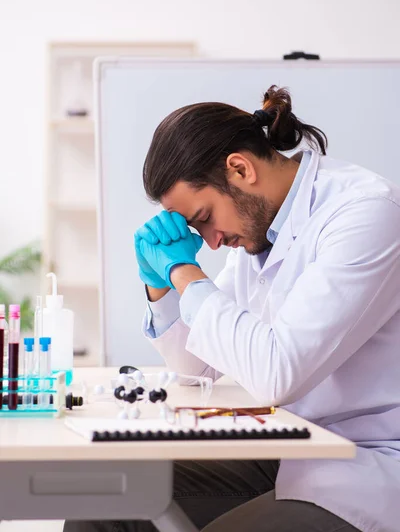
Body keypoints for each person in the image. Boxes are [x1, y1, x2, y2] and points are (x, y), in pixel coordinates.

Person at [65, 86, 400, 532]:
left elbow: (277, 373)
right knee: (106, 502)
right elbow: (195, 368)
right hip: (292, 447)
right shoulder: (262, 234)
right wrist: (158, 283)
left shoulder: (363, 215)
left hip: (368, 463)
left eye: (204, 217)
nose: (210, 241)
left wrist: (185, 272)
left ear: (240, 169)